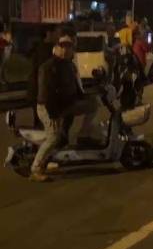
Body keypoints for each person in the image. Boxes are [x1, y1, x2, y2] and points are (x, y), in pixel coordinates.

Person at [29, 36, 102, 182]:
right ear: (57, 48)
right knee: (53, 137)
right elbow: (45, 93)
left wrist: (87, 95)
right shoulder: (48, 67)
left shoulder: (69, 65)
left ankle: (83, 136)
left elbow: (76, 87)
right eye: (63, 46)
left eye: (70, 47)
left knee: (94, 104)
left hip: (66, 105)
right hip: (48, 107)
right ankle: (36, 169)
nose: (67, 50)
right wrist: (53, 114)